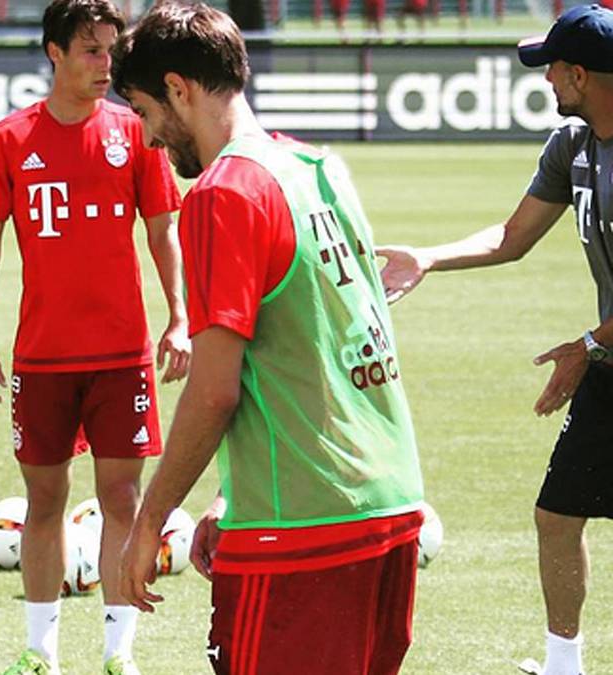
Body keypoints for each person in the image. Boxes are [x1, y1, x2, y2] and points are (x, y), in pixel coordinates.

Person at [110, 4, 425, 674]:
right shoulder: (318, 168)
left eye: (143, 112)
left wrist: (148, 523)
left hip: (304, 527)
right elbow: (324, 346)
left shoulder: (223, 194)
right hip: (389, 504)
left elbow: (214, 389)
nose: (150, 140)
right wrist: (233, 494)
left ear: (178, 87)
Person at [376, 6, 613, 675]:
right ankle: (564, 665)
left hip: (600, 350)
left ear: (578, 72)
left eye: (550, 70)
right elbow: (513, 237)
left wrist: (587, 345)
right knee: (558, 513)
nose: (543, 82)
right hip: (606, 358)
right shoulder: (572, 144)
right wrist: (428, 256)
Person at [0, 0, 188, 672]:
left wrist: (179, 315)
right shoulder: (8, 139)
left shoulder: (134, 132)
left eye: (110, 50)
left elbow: (162, 230)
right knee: (44, 499)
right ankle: (39, 654)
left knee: (122, 497)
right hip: (43, 356)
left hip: (122, 355)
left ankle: (120, 652)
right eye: (90, 50)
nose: (105, 64)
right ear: (54, 53)